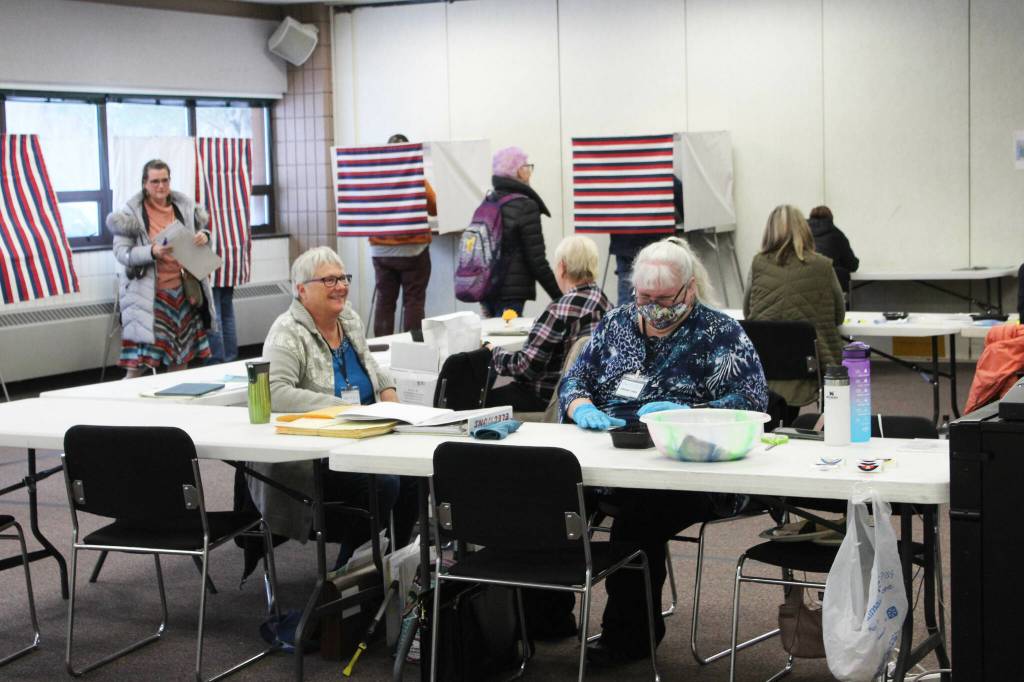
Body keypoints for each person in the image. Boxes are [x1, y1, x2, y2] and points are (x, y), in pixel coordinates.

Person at [559, 237, 768, 664]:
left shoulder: (720, 333)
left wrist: (688, 414)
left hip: (691, 467)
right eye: (645, 297)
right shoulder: (617, 323)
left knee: (638, 517)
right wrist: (581, 407)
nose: (654, 306)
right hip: (610, 454)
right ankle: (544, 616)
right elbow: (575, 380)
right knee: (551, 498)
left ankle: (629, 638)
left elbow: (753, 401)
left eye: (664, 298)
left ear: (689, 289)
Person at [250, 246, 416, 567]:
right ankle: (347, 579)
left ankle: (392, 565)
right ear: (302, 290)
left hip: (365, 437)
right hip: (315, 455)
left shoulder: (349, 318)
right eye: (329, 280)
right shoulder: (287, 331)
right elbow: (274, 393)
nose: (341, 286)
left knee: (416, 475)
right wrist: (340, 408)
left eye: (343, 278)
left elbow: (371, 364)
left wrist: (388, 389)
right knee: (383, 483)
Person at [107, 159, 216, 378]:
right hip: (147, 299)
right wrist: (151, 252)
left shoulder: (183, 207)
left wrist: (205, 237)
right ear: (145, 184)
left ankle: (173, 406)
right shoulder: (130, 214)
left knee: (180, 359)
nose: (161, 186)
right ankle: (126, 408)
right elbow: (121, 253)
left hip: (183, 294)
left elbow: (199, 239)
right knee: (138, 365)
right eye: (155, 181)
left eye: (165, 180)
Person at [484, 235, 611, 412]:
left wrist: (492, 351)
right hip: (588, 395)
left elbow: (524, 367)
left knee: (476, 401)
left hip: (546, 398)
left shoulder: (559, 310)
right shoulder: (605, 304)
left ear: (562, 267)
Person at [744, 205, 845, 416]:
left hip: (766, 367)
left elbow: (748, 312)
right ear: (804, 229)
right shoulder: (823, 266)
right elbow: (839, 315)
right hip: (810, 368)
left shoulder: (757, 264)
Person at [370, 133, 437, 337]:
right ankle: (413, 348)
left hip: (381, 250)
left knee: (385, 300)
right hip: (413, 250)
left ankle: (381, 351)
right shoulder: (416, 179)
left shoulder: (374, 179)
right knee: (414, 300)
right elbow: (434, 207)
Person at [482, 146, 561, 318]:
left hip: (485, 287)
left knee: (491, 341)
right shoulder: (526, 205)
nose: (530, 172)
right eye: (527, 166)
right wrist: (561, 296)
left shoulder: (489, 201)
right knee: (507, 342)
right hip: (511, 293)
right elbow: (537, 260)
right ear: (518, 171)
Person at [608, 175, 685, 305]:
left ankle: (627, 324)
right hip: (657, 247)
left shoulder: (617, 173)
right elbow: (682, 200)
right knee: (660, 296)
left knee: (626, 300)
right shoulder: (660, 170)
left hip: (625, 243)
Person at [807, 205, 859, 295]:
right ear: (831, 218)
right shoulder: (837, 235)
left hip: (807, 286)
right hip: (834, 288)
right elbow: (852, 265)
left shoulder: (801, 234)